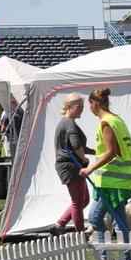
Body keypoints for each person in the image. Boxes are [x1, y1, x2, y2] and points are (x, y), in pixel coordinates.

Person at [79, 88, 131, 260]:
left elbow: (111, 152)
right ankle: (123, 257)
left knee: (96, 218)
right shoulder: (117, 119)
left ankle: (113, 257)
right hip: (119, 178)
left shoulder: (106, 123)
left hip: (111, 180)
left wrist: (90, 168)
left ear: (93, 104)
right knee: (118, 220)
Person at [53, 93, 94, 234]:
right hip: (70, 166)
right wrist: (84, 159)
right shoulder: (68, 123)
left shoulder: (68, 123)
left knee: (84, 200)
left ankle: (60, 225)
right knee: (78, 201)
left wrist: (97, 153)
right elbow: (76, 146)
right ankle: (80, 234)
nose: (82, 109)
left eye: (83, 107)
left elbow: (79, 147)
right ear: (68, 106)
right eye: (79, 106)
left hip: (71, 165)